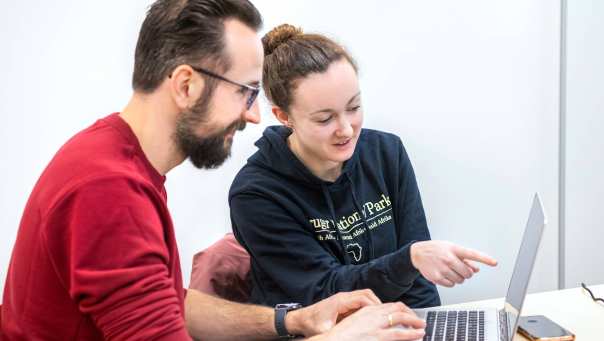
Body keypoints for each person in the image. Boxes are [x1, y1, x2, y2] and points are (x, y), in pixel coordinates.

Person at [0, 1, 426, 340]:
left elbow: (171, 303)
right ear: (186, 86)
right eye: (245, 92)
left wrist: (294, 322)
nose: (255, 116)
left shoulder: (117, 159)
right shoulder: (107, 191)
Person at [229, 24, 498, 308]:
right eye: (324, 119)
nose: (346, 129)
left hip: (392, 327)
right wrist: (408, 260)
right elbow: (326, 290)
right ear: (284, 116)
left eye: (354, 107)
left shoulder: (386, 153)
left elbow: (420, 279)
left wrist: (428, 325)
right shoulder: (256, 194)